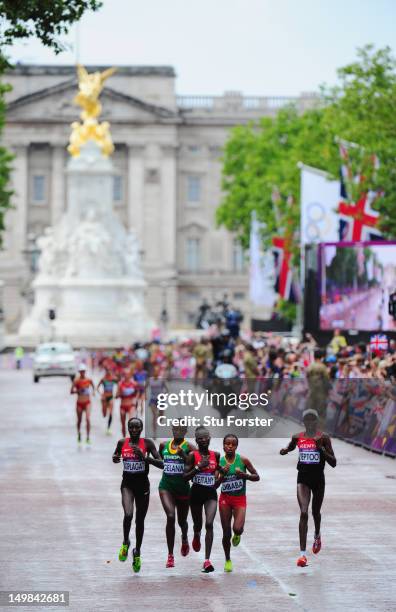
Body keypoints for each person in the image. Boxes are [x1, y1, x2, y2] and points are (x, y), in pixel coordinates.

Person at [280, 409, 337, 567]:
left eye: (313, 419)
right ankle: (302, 555)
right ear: (303, 422)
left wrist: (322, 449)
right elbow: (291, 446)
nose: (310, 422)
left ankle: (317, 534)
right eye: (307, 419)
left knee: (315, 512)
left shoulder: (323, 438)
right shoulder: (298, 436)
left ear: (317, 422)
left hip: (318, 479)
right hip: (303, 479)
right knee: (304, 512)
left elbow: (333, 462)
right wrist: (285, 450)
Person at [112, 417, 162, 573]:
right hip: (127, 485)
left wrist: (144, 457)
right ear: (128, 429)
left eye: (137, 428)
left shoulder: (147, 444)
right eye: (131, 428)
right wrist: (115, 458)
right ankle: (126, 542)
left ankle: (137, 552)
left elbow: (161, 463)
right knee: (128, 514)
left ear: (141, 429)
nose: (134, 430)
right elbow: (115, 457)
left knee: (140, 521)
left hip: (143, 487)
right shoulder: (122, 443)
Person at [217, 434, 260, 572]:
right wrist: (222, 475)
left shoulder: (243, 460)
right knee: (226, 532)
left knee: (237, 529)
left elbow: (257, 476)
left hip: (239, 499)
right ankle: (228, 560)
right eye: (227, 444)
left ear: (236, 446)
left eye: (233, 444)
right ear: (223, 445)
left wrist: (244, 475)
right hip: (225, 499)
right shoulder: (220, 462)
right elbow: (214, 485)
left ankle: (238, 534)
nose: (229, 446)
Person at [158, 425, 196, 568]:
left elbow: (196, 465)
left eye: (181, 429)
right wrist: (146, 459)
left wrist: (184, 457)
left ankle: (185, 537)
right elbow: (162, 463)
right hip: (166, 486)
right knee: (170, 516)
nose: (177, 431)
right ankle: (170, 555)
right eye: (175, 429)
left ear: (185, 432)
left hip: (183, 489)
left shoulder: (191, 448)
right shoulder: (163, 445)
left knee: (182, 521)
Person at [184, 426, 220, 573]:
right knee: (198, 524)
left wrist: (221, 475)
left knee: (210, 524)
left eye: (205, 437)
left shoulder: (216, 455)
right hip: (196, 493)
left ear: (210, 438)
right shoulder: (193, 455)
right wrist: (198, 468)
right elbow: (185, 477)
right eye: (200, 438)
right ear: (196, 440)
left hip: (210, 494)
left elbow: (218, 474)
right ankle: (197, 534)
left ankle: (207, 560)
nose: (203, 440)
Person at [70, 363, 95, 444]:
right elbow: (71, 391)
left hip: (87, 402)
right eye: (81, 371)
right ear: (79, 372)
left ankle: (88, 437)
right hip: (79, 403)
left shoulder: (89, 380)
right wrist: (78, 391)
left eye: (83, 371)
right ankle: (79, 434)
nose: (82, 373)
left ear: (85, 371)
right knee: (79, 420)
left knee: (87, 419)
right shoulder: (76, 380)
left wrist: (93, 392)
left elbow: (93, 386)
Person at [147, 364, 168, 440]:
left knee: (161, 416)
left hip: (160, 399)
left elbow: (167, 389)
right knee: (154, 416)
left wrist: (164, 395)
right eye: (154, 371)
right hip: (153, 399)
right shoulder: (150, 380)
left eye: (157, 371)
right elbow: (145, 388)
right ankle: (154, 433)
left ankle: (158, 420)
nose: (155, 373)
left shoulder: (161, 379)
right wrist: (145, 395)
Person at [116, 369, 139, 437]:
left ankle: (131, 439)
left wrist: (136, 400)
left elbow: (137, 393)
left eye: (128, 374)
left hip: (131, 405)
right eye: (125, 374)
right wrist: (120, 393)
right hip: (123, 405)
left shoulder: (134, 383)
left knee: (131, 422)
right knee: (123, 424)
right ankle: (124, 438)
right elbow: (116, 396)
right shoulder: (120, 384)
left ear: (130, 375)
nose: (126, 376)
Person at [97, 367, 118, 434]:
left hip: (111, 397)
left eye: (110, 371)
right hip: (104, 398)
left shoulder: (113, 379)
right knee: (104, 414)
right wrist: (101, 395)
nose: (109, 373)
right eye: (107, 371)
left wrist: (116, 394)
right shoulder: (103, 379)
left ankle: (108, 428)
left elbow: (119, 385)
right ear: (106, 372)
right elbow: (97, 388)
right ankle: (103, 409)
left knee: (111, 413)